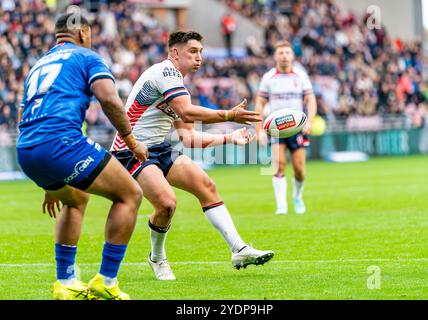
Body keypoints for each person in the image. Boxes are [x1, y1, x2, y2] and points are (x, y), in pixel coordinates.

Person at [110, 31, 274, 280]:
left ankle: (238, 249)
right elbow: (186, 112)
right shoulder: (165, 73)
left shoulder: (176, 85)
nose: (199, 58)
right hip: (130, 150)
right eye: (193, 52)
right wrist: (228, 115)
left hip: (157, 148)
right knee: (167, 204)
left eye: (200, 52)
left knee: (206, 185)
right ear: (175, 52)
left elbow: (189, 138)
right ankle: (157, 257)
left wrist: (229, 138)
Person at [17, 13, 148, 300]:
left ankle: (65, 282)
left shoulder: (39, 64)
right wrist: (130, 140)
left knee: (75, 199)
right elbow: (109, 99)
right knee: (130, 195)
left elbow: (23, 112)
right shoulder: (88, 57)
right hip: (61, 142)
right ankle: (107, 280)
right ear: (84, 33)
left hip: (26, 148)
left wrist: (48, 180)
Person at [255, 41, 317, 215]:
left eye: (287, 53)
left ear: (292, 56)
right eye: (280, 53)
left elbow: (310, 99)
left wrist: (310, 121)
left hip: (297, 128)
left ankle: (297, 196)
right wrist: (259, 129)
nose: (284, 56)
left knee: (299, 170)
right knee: (279, 165)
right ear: (275, 56)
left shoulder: (300, 76)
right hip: (276, 128)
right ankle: (281, 205)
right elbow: (259, 104)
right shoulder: (268, 78)